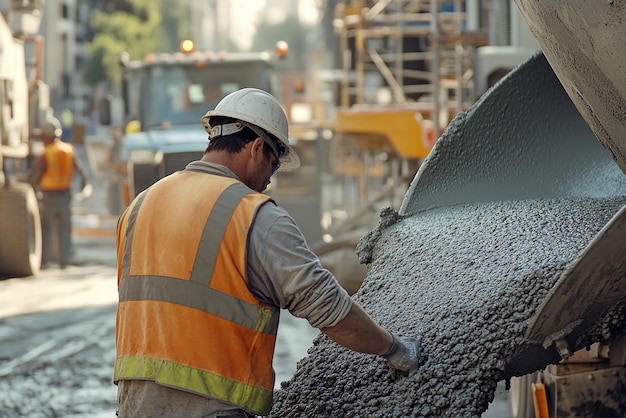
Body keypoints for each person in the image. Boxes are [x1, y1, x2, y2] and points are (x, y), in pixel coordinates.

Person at [114, 88, 423, 418]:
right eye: (273, 165)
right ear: (258, 148)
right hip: (212, 409)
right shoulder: (252, 215)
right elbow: (327, 306)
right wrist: (393, 348)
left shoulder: (138, 207)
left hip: (134, 406)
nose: (268, 182)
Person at [30, 117, 88, 269]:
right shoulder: (69, 150)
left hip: (49, 196)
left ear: (45, 136)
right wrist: (83, 186)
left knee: (47, 228)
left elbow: (36, 175)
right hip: (65, 195)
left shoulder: (46, 154)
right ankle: (64, 261)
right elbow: (81, 171)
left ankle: (45, 261)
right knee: (64, 229)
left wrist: (33, 187)